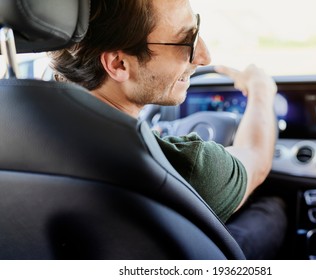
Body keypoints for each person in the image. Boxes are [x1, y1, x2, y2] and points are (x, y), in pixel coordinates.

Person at [49, 0, 287, 259]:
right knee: (272, 208)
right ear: (119, 64)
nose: (205, 57)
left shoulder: (16, 129)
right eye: (188, 40)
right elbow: (256, 158)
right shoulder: (187, 167)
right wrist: (261, 91)